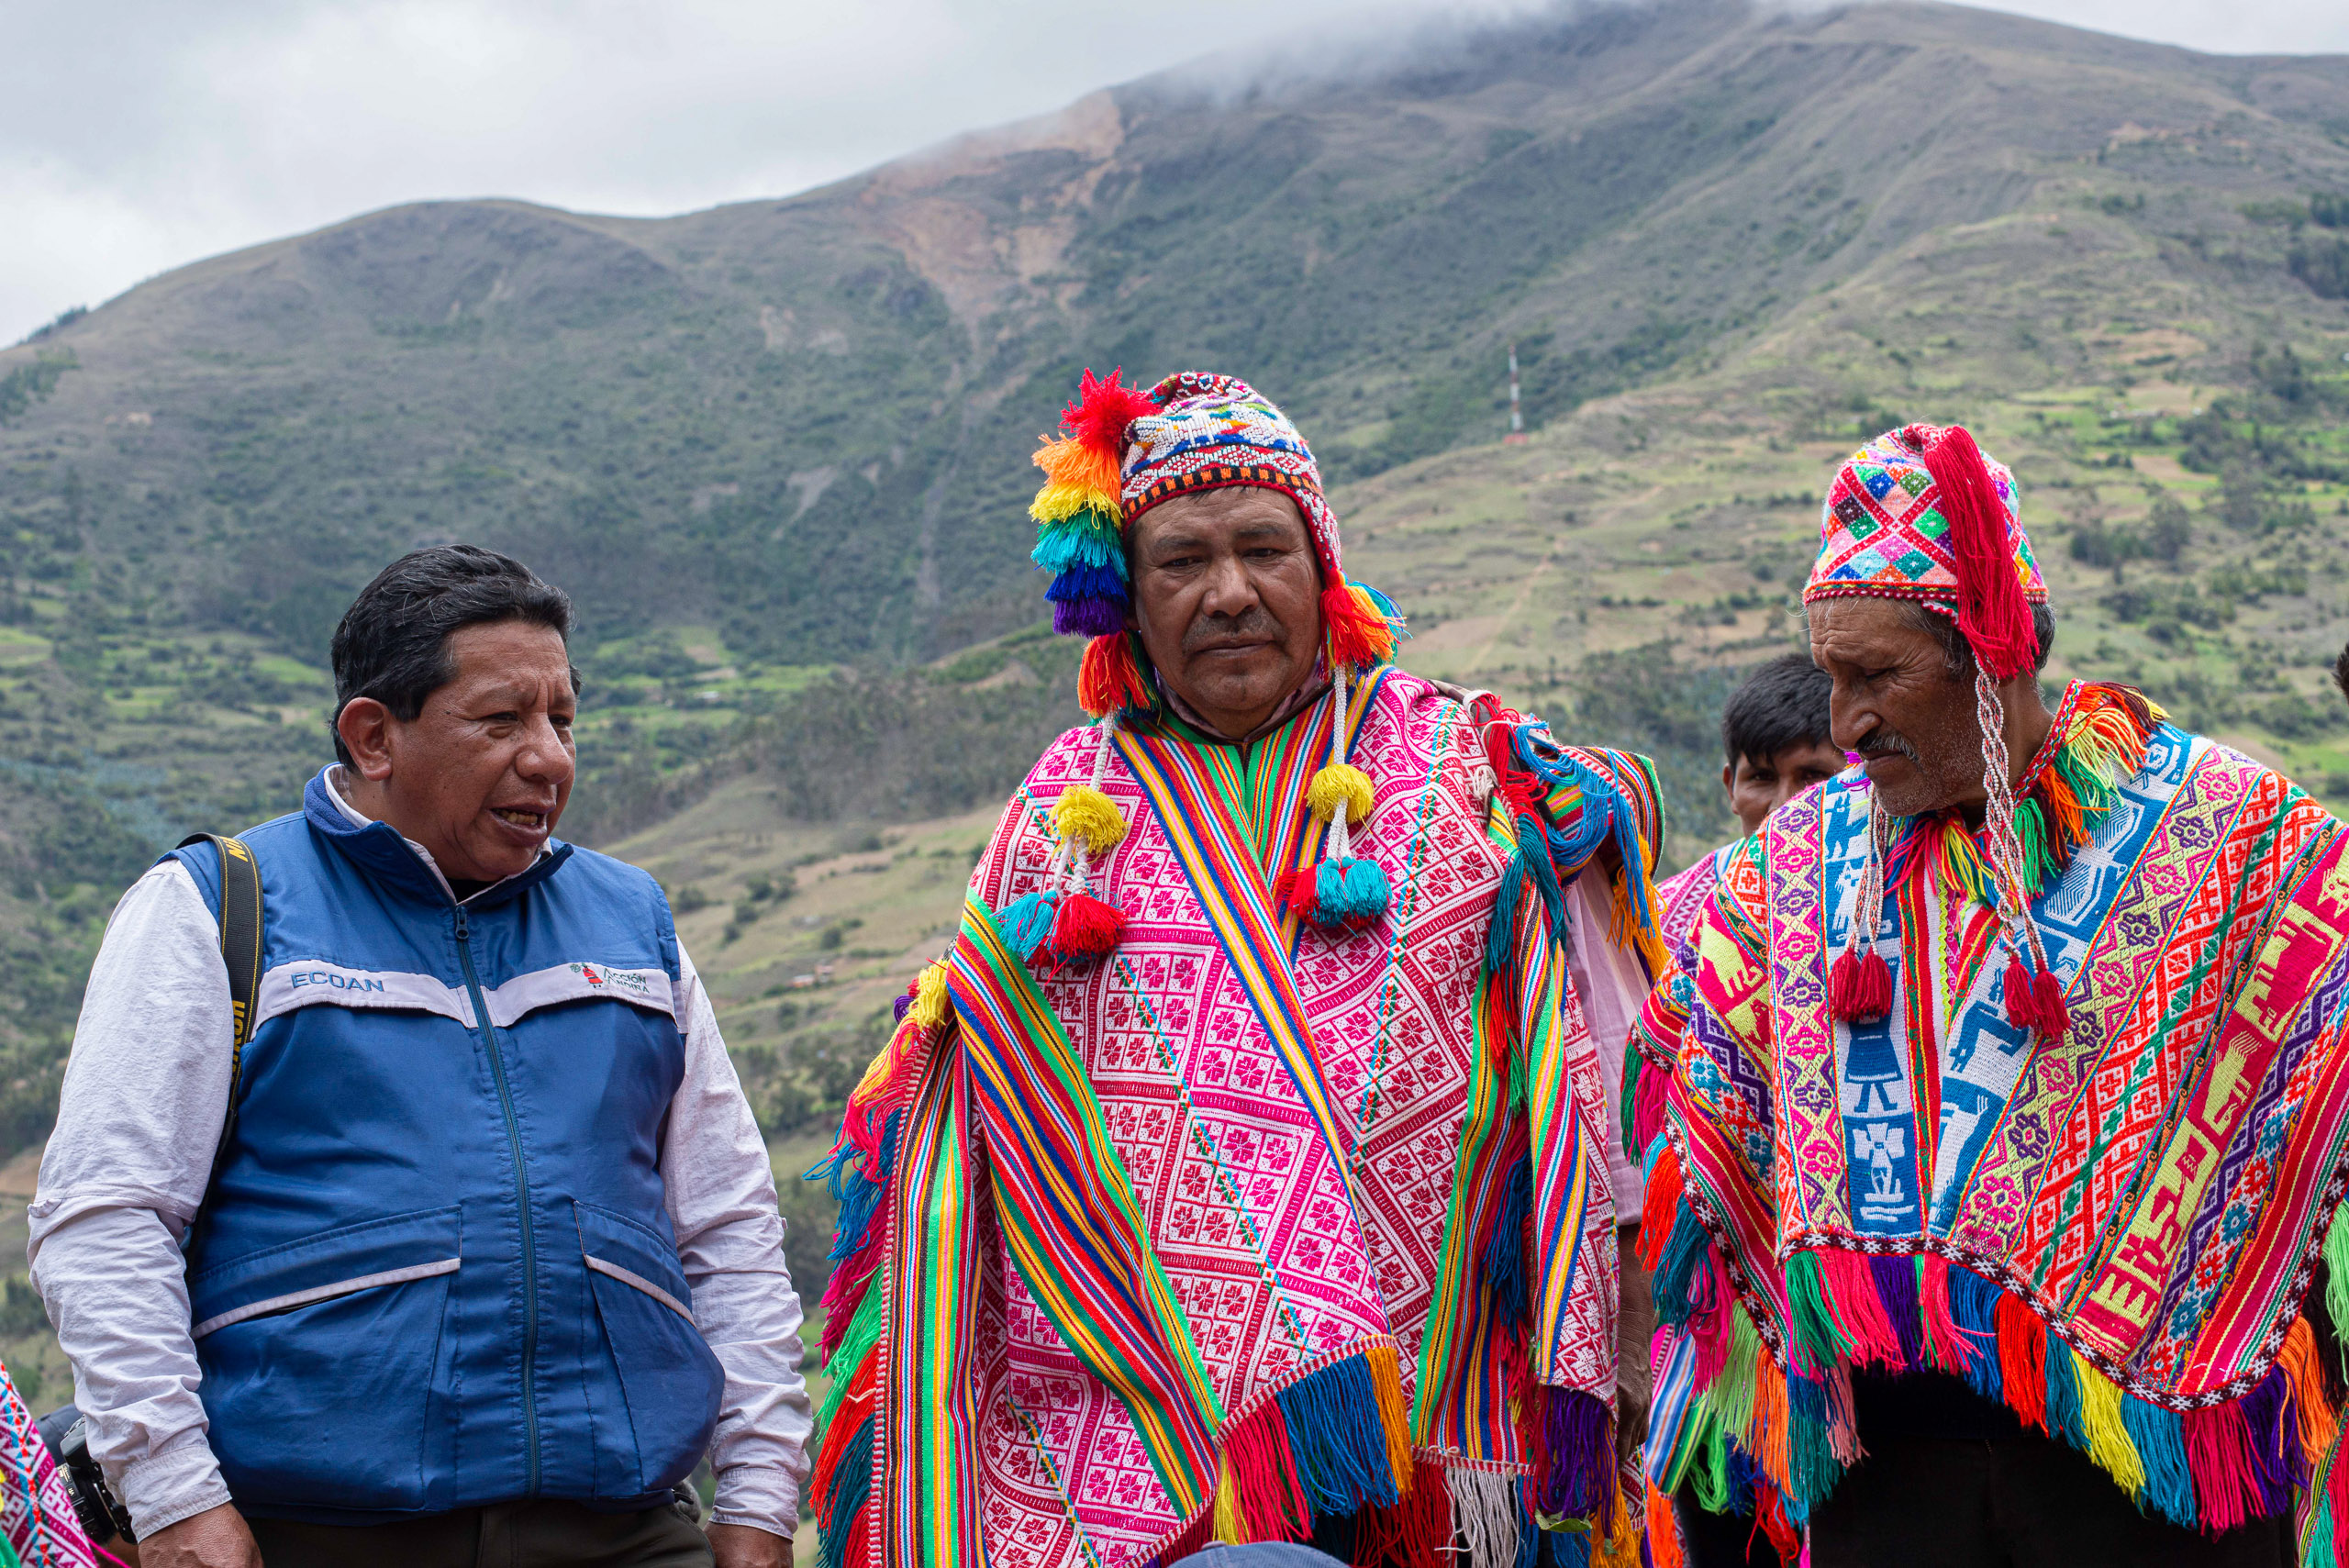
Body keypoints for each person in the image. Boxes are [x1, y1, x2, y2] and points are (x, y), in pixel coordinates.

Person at [807, 372, 1668, 1568]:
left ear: (1324, 568)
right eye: (1181, 560)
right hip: (1151, 1427)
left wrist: (1625, 1328)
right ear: (1126, 596)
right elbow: (970, 1121)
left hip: (1452, 1410)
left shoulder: (1466, 769)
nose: (1228, 592)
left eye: (1264, 548)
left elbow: (1600, 1061)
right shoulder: (1058, 819)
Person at [1627, 425, 2349, 1567]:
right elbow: (1692, 1089)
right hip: (1886, 1478)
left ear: (1992, 650)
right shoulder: (1787, 873)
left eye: (1877, 677)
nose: (1846, 722)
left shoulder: (2232, 840)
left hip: (2150, 1479)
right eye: (1832, 678)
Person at [29, 547, 810, 1568]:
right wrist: (175, 1498)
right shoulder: (215, 907)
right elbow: (107, 1216)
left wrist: (760, 1494)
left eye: (563, 719)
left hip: (621, 1530)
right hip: (306, 1533)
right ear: (374, 736)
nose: (549, 758)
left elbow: (728, 1224)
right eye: (502, 720)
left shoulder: (633, 924)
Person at [1653, 655, 1842, 954]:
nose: (1783, 807)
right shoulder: (1663, 928)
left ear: (1858, 780)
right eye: (1762, 777)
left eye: (1813, 776)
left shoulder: (1904, 894)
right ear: (1731, 787)